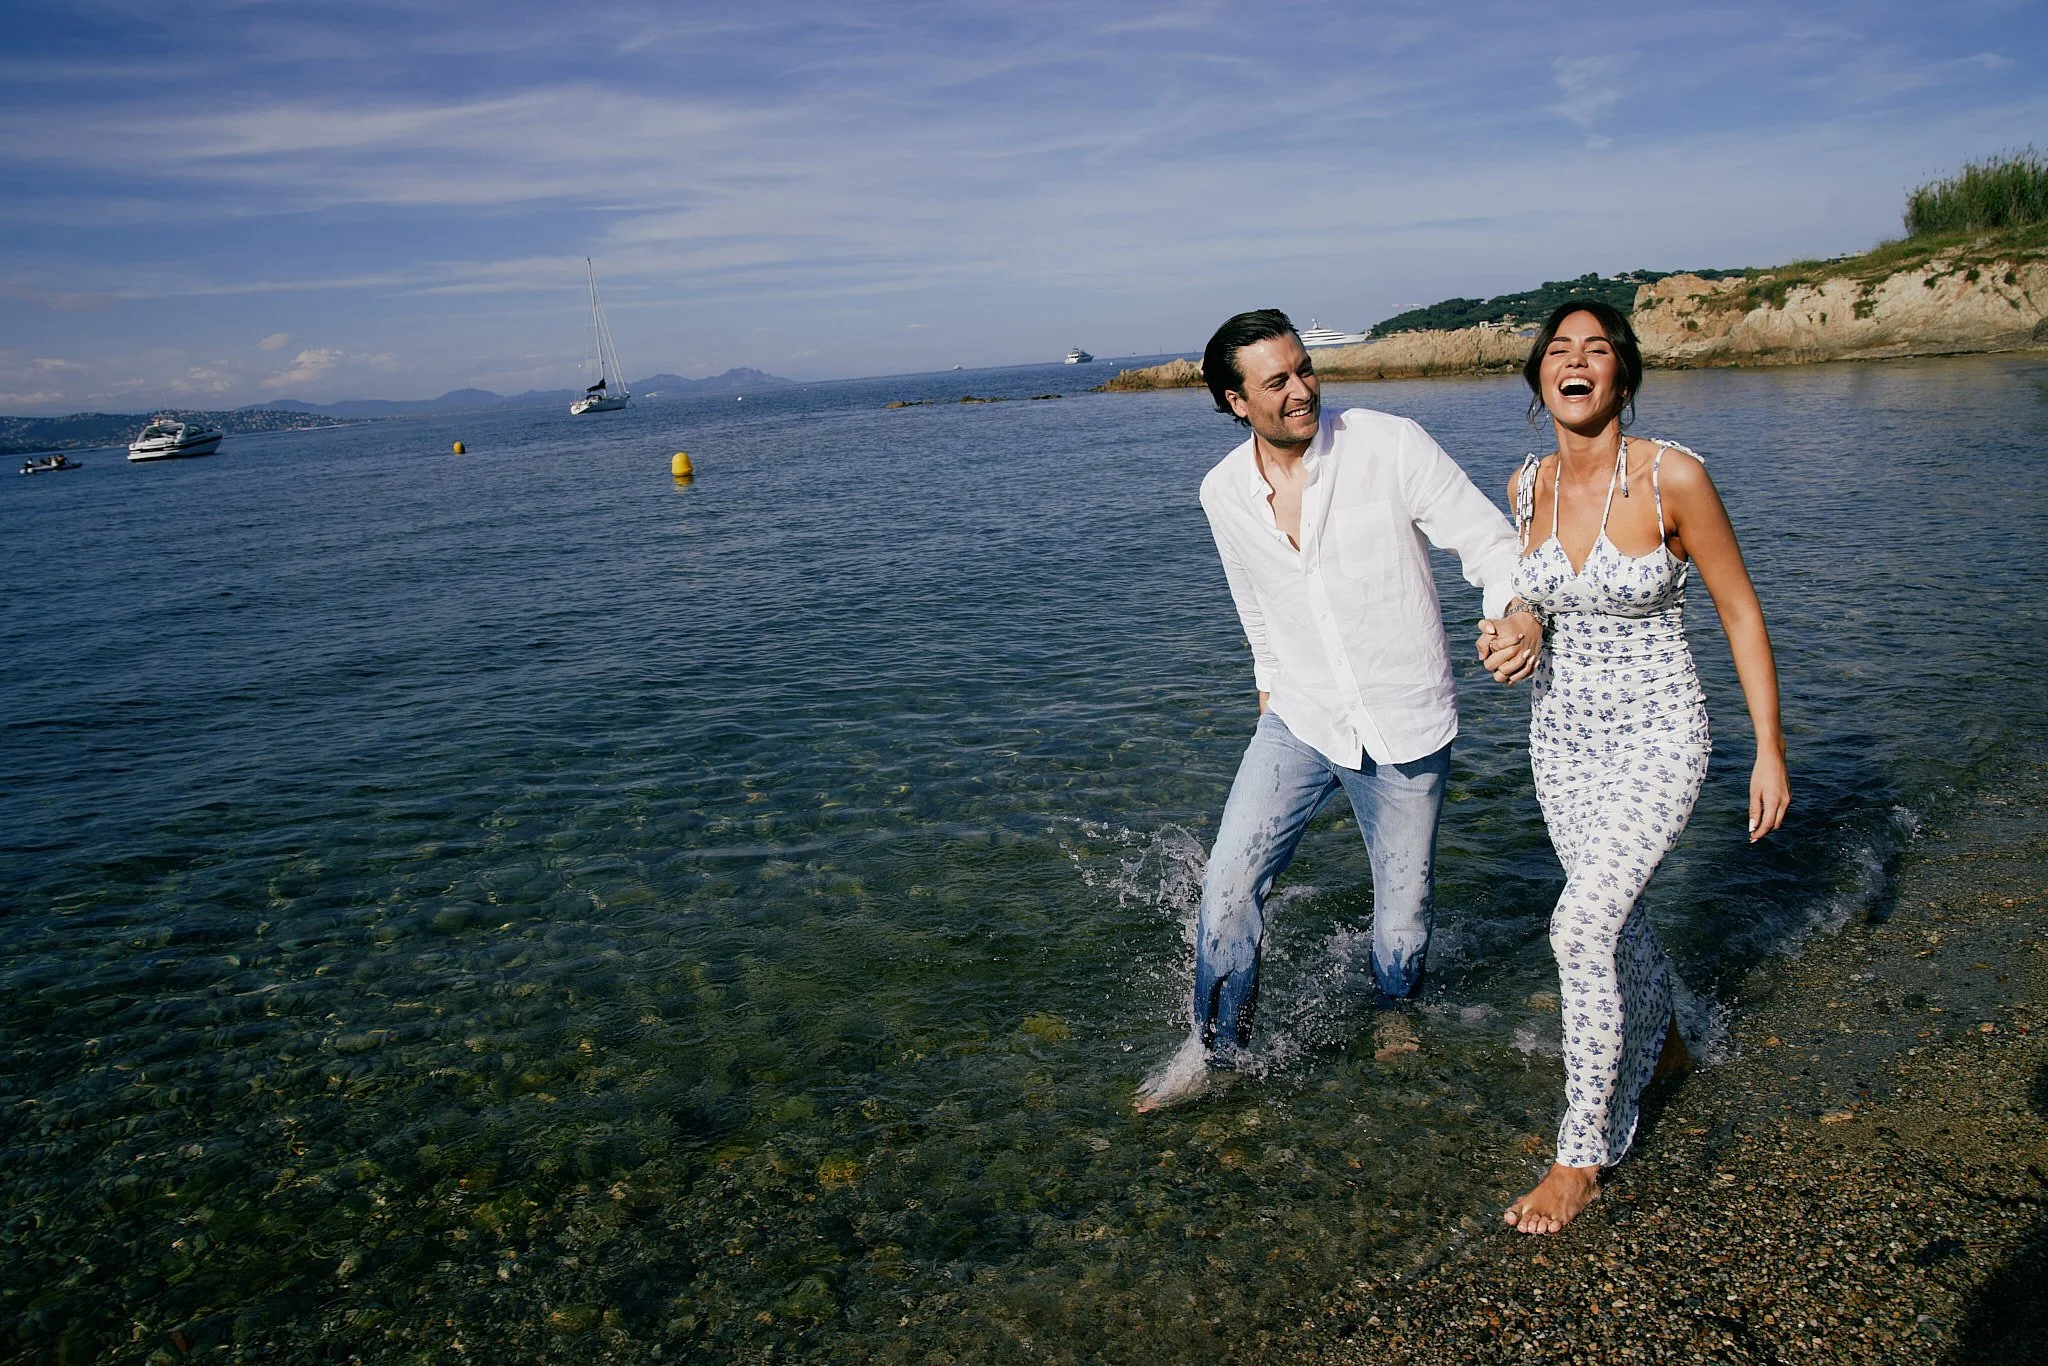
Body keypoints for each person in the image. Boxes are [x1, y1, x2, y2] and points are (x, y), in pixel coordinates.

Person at [1135, 309, 1543, 1112]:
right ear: (1234, 400)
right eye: (1277, 381)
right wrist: (1266, 703)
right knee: (1226, 886)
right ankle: (1215, 1054)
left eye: (1305, 369)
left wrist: (1514, 612)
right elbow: (1256, 611)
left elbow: (1492, 544)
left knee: (1401, 925)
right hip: (1299, 718)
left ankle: (1399, 1016)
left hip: (1404, 724)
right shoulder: (1222, 493)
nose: (1301, 391)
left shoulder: (1390, 445)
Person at [1495, 299, 1790, 1233]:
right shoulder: (1523, 485)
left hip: (1660, 734)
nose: (1574, 362)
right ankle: (1664, 1044)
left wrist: (1769, 748)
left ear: (1620, 373)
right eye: (1557, 350)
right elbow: (1539, 605)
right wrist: (1514, 630)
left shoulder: (1675, 478)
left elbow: (1741, 611)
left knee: (1580, 926)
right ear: (1540, 378)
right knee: (1617, 918)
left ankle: (1583, 1152)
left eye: (1595, 350)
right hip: (1560, 741)